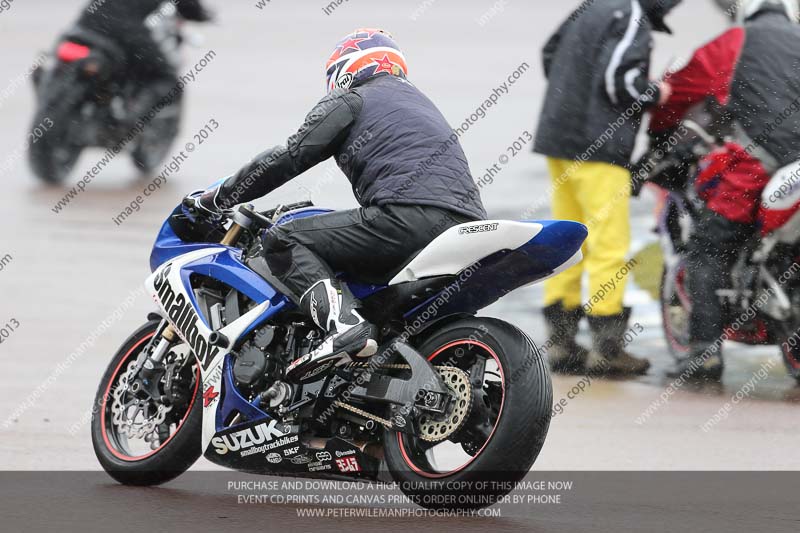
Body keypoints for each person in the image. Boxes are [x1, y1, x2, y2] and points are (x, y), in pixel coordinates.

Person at [185, 29, 486, 368]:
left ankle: (346, 325)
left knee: (284, 238)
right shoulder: (421, 104)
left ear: (345, 69)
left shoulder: (354, 99)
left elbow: (289, 157)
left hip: (409, 220)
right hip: (468, 225)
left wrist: (219, 196)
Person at [648, 0, 800, 380]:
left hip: (758, 163)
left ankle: (704, 356)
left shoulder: (735, 41)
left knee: (708, 248)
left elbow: (681, 90)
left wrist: (659, 140)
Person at [533, 0, 681, 376]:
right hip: (600, 149)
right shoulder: (632, 15)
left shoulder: (593, 5)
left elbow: (549, 50)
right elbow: (621, 82)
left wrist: (573, 102)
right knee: (608, 245)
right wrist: (656, 93)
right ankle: (608, 348)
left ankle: (560, 344)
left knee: (566, 239)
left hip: (559, 140)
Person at [75, 0, 212, 97]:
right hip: (126, 32)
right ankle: (131, 123)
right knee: (167, 79)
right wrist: (203, 15)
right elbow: (189, 7)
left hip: (86, 25)